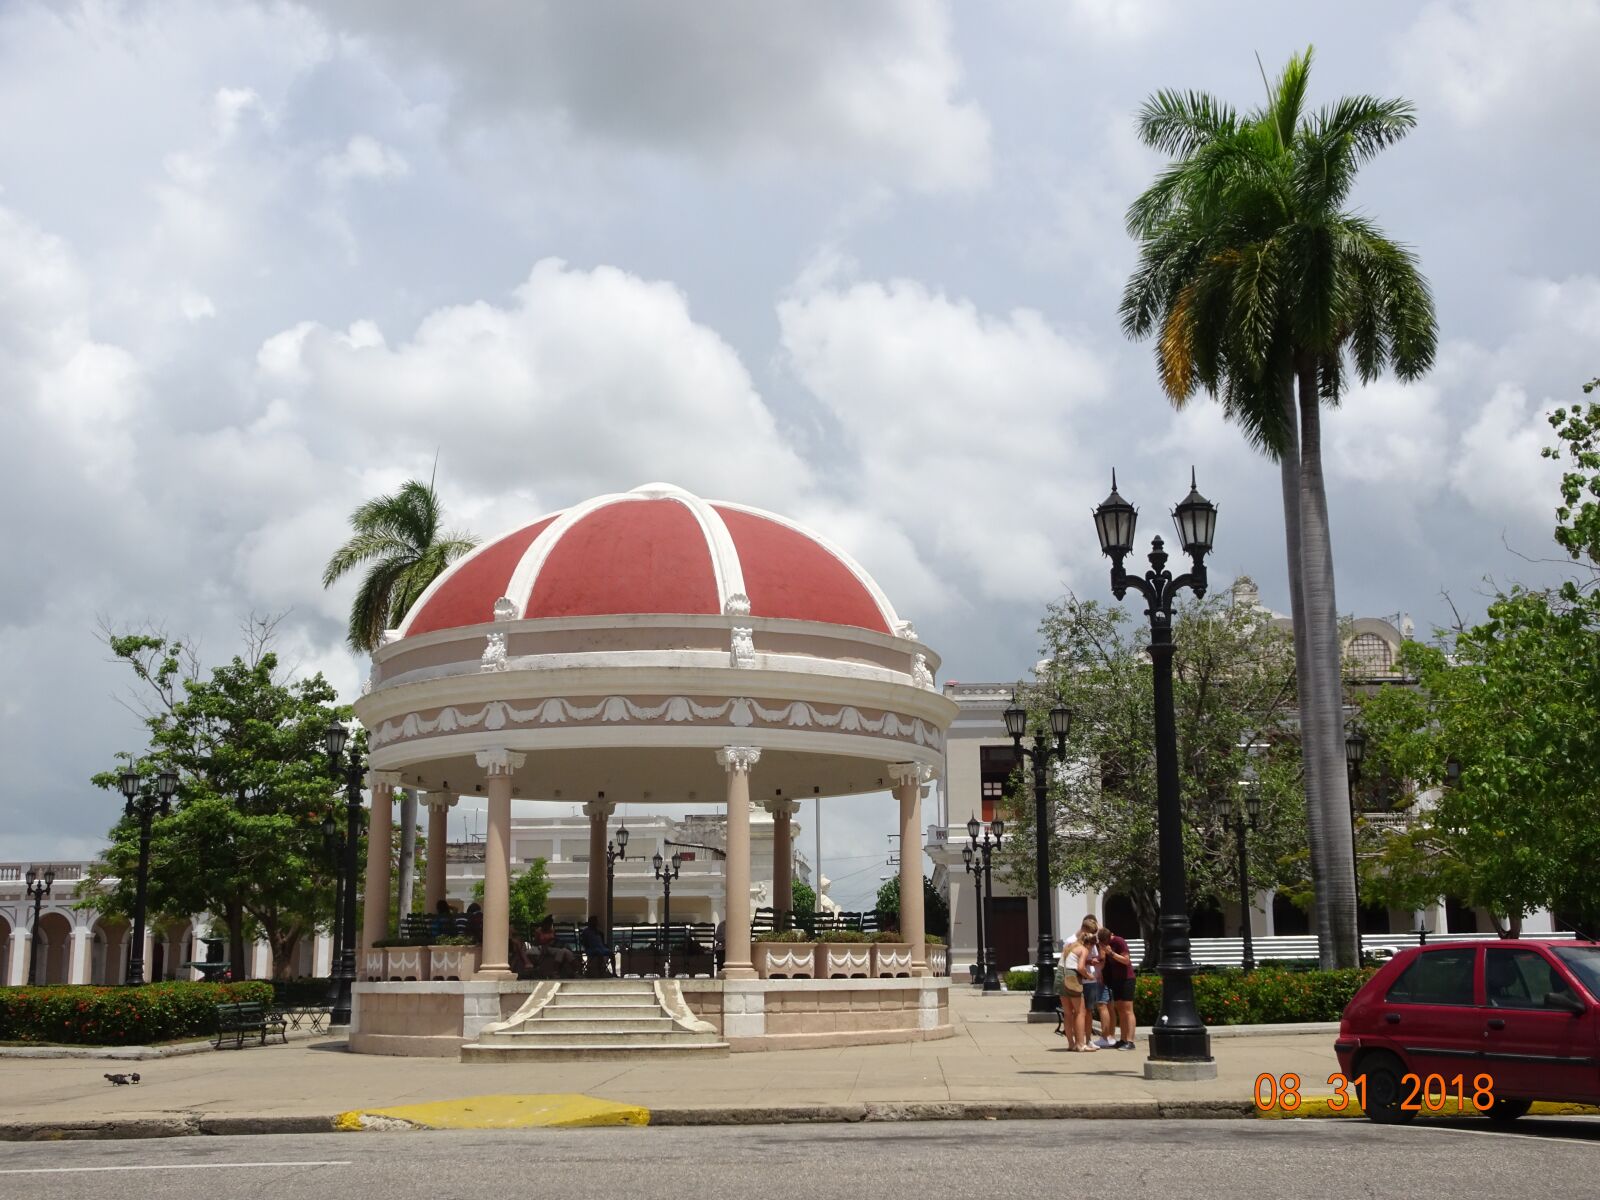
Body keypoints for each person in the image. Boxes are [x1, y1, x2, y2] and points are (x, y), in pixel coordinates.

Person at [1099, 925, 1137, 1050]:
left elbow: (1126, 961)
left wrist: (1112, 953)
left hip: (1127, 979)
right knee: (1120, 1010)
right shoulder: (1105, 943)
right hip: (1116, 980)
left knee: (1127, 1010)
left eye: (1105, 942)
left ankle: (1130, 1041)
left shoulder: (1119, 941)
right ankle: (1123, 1039)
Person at [1081, 915, 1114, 1048]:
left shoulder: (1096, 941)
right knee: (1105, 1006)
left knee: (1101, 1006)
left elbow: (1101, 957)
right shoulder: (1095, 939)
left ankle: (1106, 1037)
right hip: (1096, 977)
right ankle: (1108, 1036)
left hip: (1096, 977)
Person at [1057, 930, 1090, 1051]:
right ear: (1089, 944)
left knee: (1067, 1013)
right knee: (1080, 1012)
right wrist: (1089, 976)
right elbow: (1080, 968)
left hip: (1060, 977)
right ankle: (1080, 1044)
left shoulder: (1069, 946)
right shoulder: (1083, 949)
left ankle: (1071, 1043)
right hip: (1072, 978)